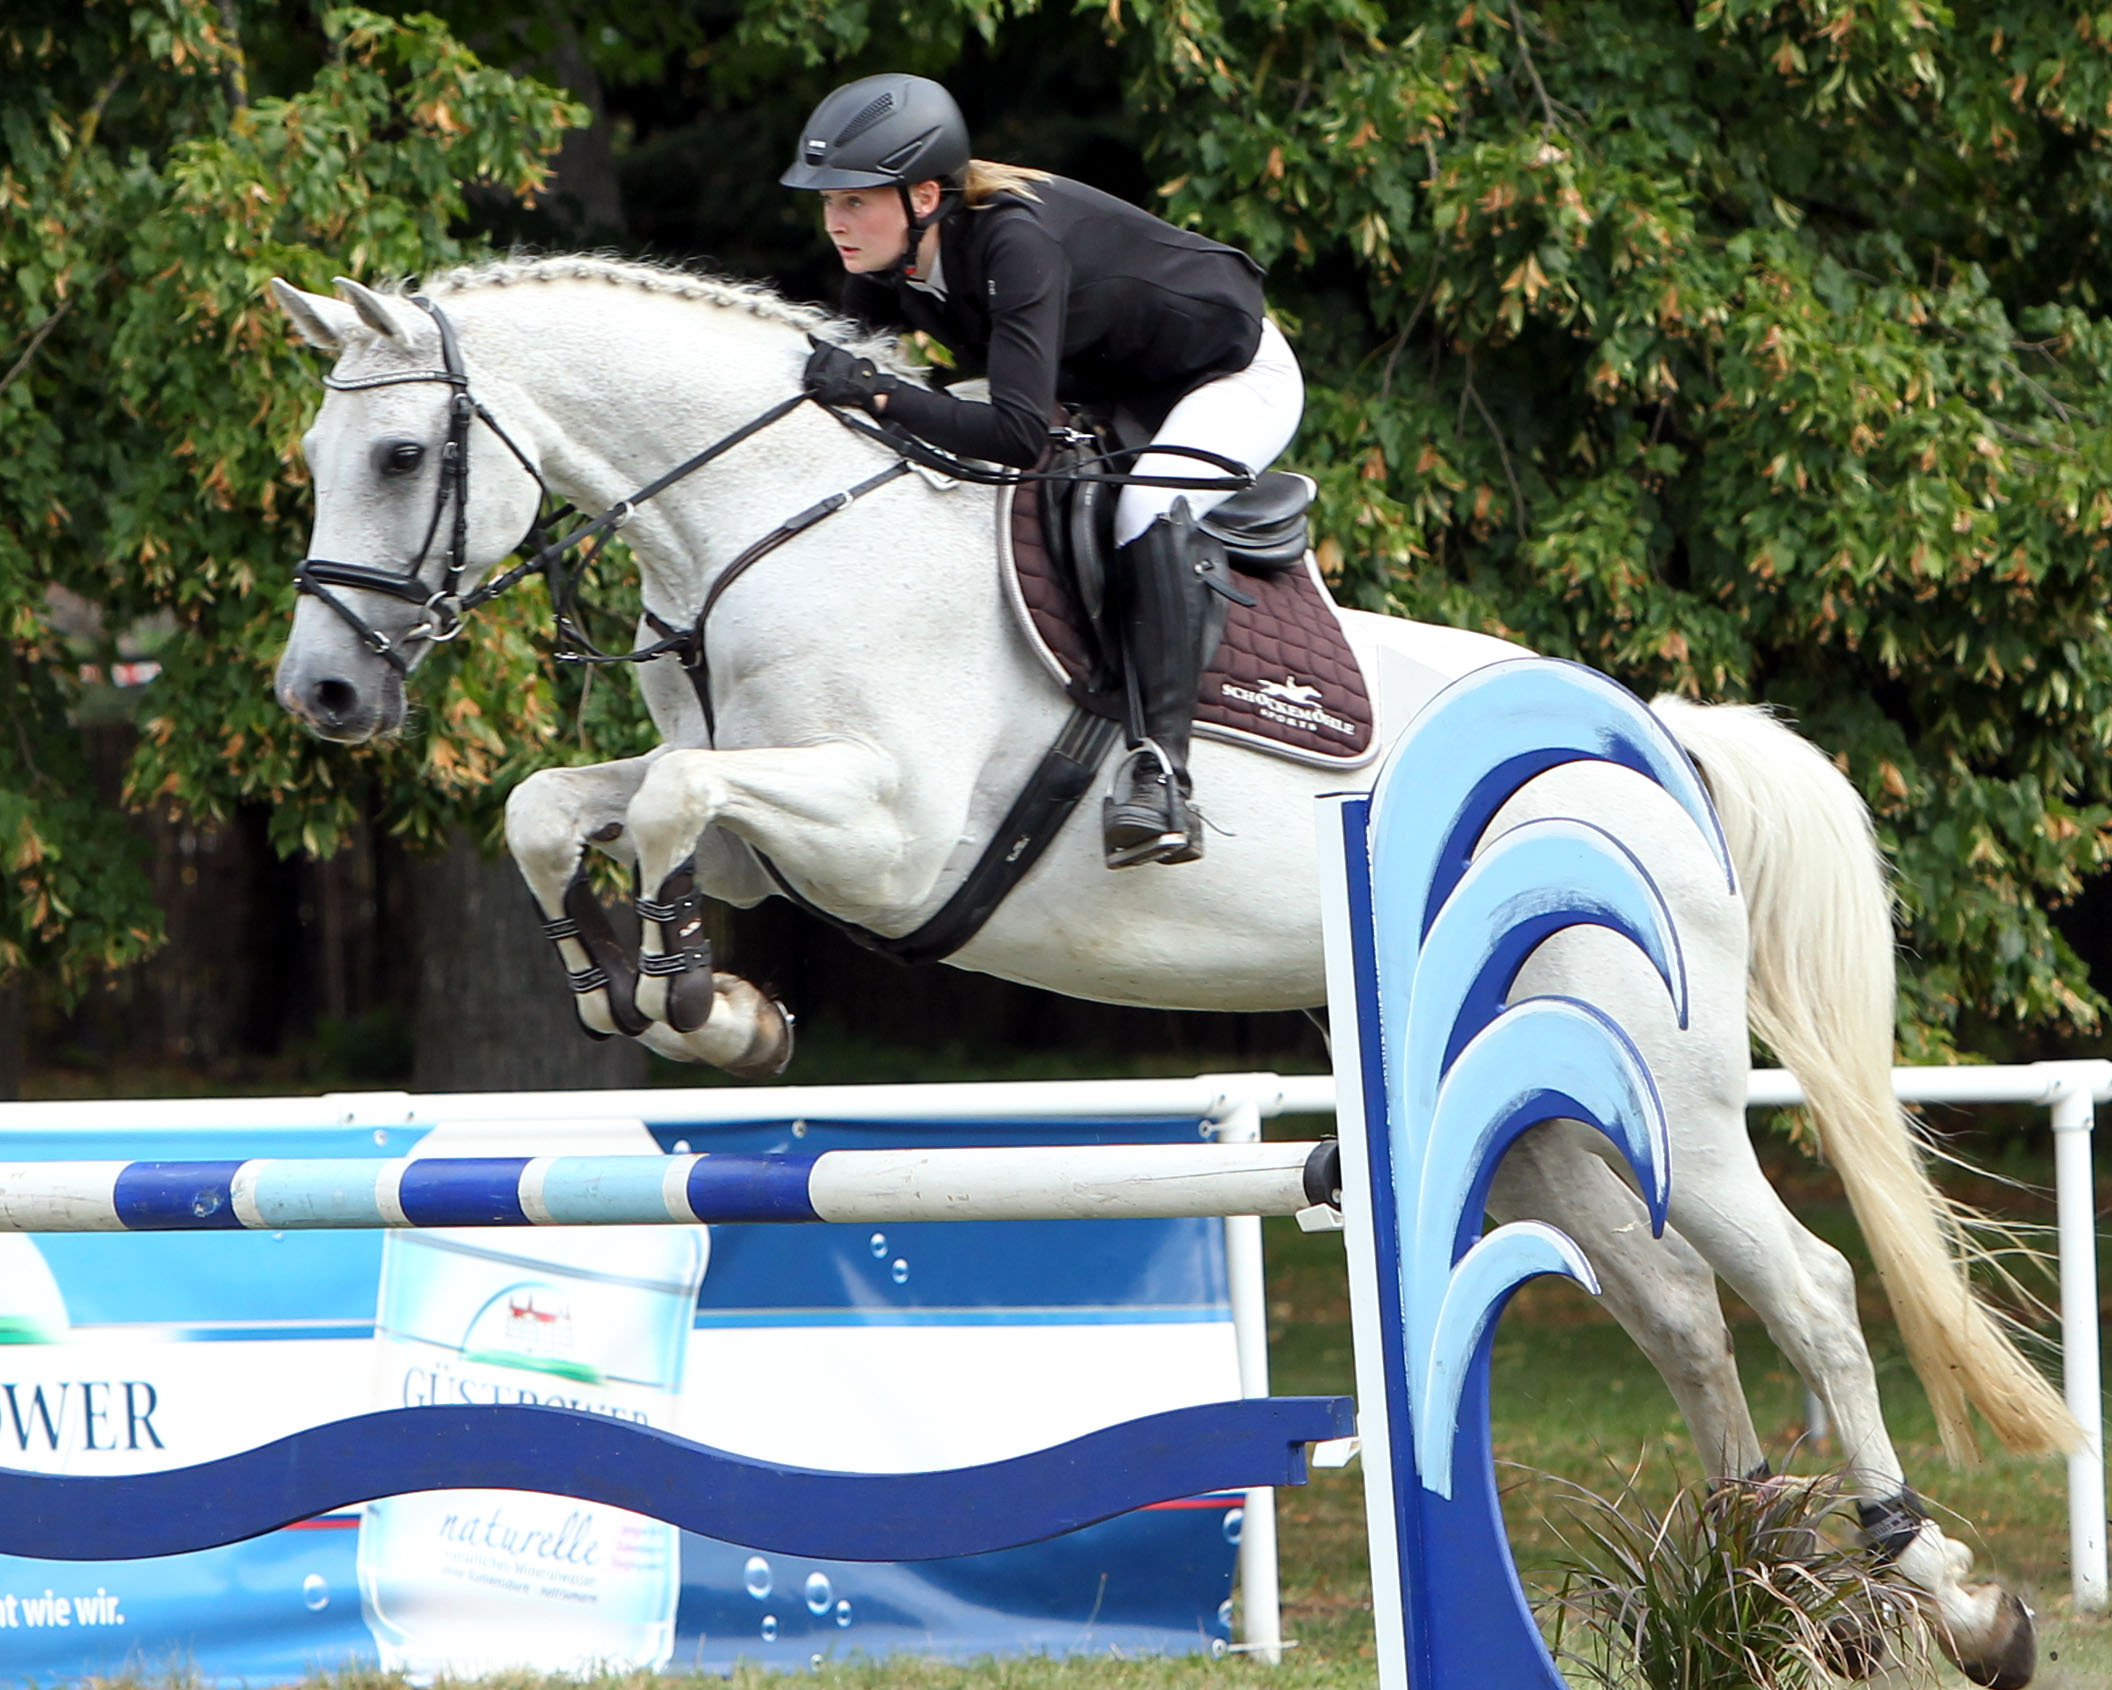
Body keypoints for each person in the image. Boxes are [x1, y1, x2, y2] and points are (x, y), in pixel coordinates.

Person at [783, 72, 1304, 868]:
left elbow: (1018, 432)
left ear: (925, 195)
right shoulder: (890, 265)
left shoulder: (1011, 243)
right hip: (1108, 381)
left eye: (855, 200)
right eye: (828, 202)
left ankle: (1161, 774)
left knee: (1144, 505)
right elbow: (839, 381)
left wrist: (883, 393)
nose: (835, 223)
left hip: (1227, 377)